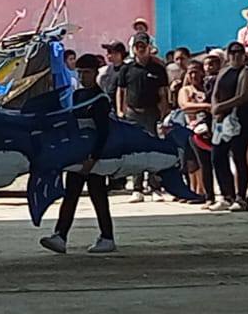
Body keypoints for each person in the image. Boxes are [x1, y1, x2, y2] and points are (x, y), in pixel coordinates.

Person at [40, 54, 117, 256]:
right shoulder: (77, 96)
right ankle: (60, 236)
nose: (83, 77)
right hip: (77, 154)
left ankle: (107, 237)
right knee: (71, 195)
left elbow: (103, 132)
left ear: (96, 73)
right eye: (80, 72)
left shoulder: (100, 99)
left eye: (87, 72)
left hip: (93, 157)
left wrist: (93, 158)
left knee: (98, 196)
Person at [118, 32, 170, 202]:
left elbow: (163, 93)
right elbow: (121, 90)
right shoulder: (127, 68)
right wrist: (120, 111)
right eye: (137, 46)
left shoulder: (158, 68)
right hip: (133, 113)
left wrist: (164, 113)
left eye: (143, 46)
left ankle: (155, 187)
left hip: (152, 113)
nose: (140, 49)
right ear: (133, 48)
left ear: (149, 47)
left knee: (153, 150)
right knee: (135, 151)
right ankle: (137, 188)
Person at [209, 42, 248, 212]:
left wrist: (221, 107)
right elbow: (215, 93)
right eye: (232, 52)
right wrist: (215, 108)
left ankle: (241, 197)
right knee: (217, 156)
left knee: (239, 156)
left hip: (241, 119)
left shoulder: (247, 71)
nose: (236, 56)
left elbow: (243, 96)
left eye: (239, 52)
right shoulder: (224, 71)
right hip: (222, 120)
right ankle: (226, 194)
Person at [177, 63, 216, 206]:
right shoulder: (186, 90)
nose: (194, 76)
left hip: (208, 130)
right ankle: (195, 192)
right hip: (191, 130)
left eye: (196, 72)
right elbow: (185, 105)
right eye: (190, 73)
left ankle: (204, 192)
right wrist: (206, 106)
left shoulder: (207, 88)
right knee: (192, 164)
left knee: (206, 163)